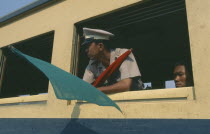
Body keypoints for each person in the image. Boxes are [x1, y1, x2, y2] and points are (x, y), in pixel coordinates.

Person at [82, 28, 143, 94]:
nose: (86, 50)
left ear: (100, 46)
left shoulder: (122, 54)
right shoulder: (92, 64)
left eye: (88, 46)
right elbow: (85, 88)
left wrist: (97, 90)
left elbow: (125, 85)